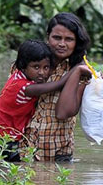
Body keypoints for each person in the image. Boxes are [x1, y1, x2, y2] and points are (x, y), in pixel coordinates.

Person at [19, 12, 91, 162]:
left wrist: (76, 72)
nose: (62, 44)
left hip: (58, 153)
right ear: (48, 37)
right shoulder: (28, 62)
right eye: (57, 37)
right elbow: (11, 101)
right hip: (23, 150)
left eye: (69, 39)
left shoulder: (83, 72)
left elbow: (63, 113)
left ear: (76, 42)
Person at [0, 39, 52, 161]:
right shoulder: (23, 87)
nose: (42, 73)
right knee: (14, 166)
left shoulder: (18, 75)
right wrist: (74, 73)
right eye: (36, 67)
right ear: (23, 66)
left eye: (46, 67)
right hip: (3, 137)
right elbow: (51, 87)